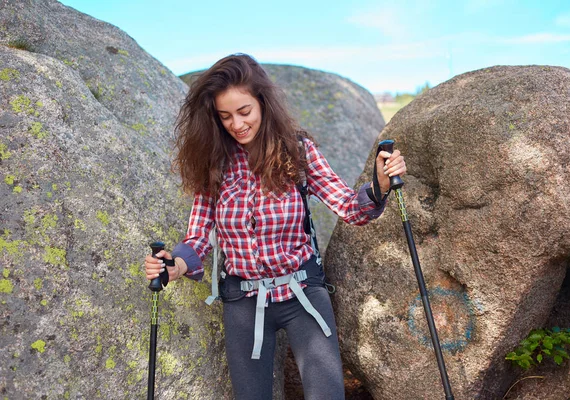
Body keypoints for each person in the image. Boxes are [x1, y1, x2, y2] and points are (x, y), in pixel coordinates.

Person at [144, 53, 406, 400]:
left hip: (303, 295)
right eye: (225, 117)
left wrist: (379, 186)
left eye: (244, 111)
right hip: (243, 301)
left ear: (263, 103)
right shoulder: (216, 163)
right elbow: (198, 236)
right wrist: (173, 265)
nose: (236, 124)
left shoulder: (296, 151)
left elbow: (348, 207)